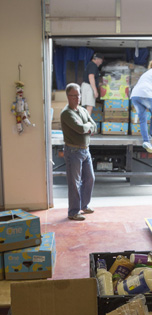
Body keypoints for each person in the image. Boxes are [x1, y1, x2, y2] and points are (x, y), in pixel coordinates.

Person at [60, 83, 97, 221]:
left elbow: (94, 125)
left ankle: (84, 205)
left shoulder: (82, 110)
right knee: (74, 182)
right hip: (73, 151)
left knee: (90, 178)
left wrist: (87, 127)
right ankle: (73, 211)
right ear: (68, 97)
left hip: (85, 150)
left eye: (79, 95)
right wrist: (88, 127)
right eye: (74, 95)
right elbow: (81, 129)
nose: (78, 98)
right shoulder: (66, 113)